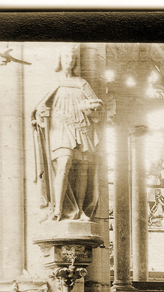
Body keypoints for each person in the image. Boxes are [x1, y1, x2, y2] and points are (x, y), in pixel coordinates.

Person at [32, 46, 103, 221]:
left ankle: (80, 212)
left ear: (75, 61)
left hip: (81, 127)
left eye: (72, 58)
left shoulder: (82, 83)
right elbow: (38, 109)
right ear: (60, 60)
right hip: (60, 126)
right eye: (65, 57)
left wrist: (91, 108)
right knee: (64, 163)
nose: (69, 61)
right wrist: (40, 113)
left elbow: (98, 110)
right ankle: (58, 208)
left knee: (82, 168)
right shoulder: (54, 81)